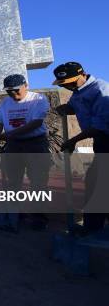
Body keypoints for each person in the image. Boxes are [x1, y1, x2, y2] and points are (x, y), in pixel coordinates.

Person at [53, 62, 109, 236]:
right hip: (101, 142)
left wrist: (73, 141)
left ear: (82, 74)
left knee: (100, 184)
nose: (68, 86)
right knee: (95, 182)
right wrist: (67, 108)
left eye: (70, 82)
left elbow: (101, 124)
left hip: (105, 136)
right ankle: (93, 227)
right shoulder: (77, 92)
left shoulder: (101, 90)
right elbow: (78, 106)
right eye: (64, 84)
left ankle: (93, 227)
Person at [0, 74, 51, 232]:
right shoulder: (5, 103)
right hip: (14, 145)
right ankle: (15, 213)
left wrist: (9, 134)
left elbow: (36, 123)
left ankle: (39, 216)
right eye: (9, 91)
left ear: (26, 85)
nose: (13, 94)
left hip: (35, 143)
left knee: (38, 181)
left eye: (16, 90)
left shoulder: (38, 99)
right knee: (13, 182)